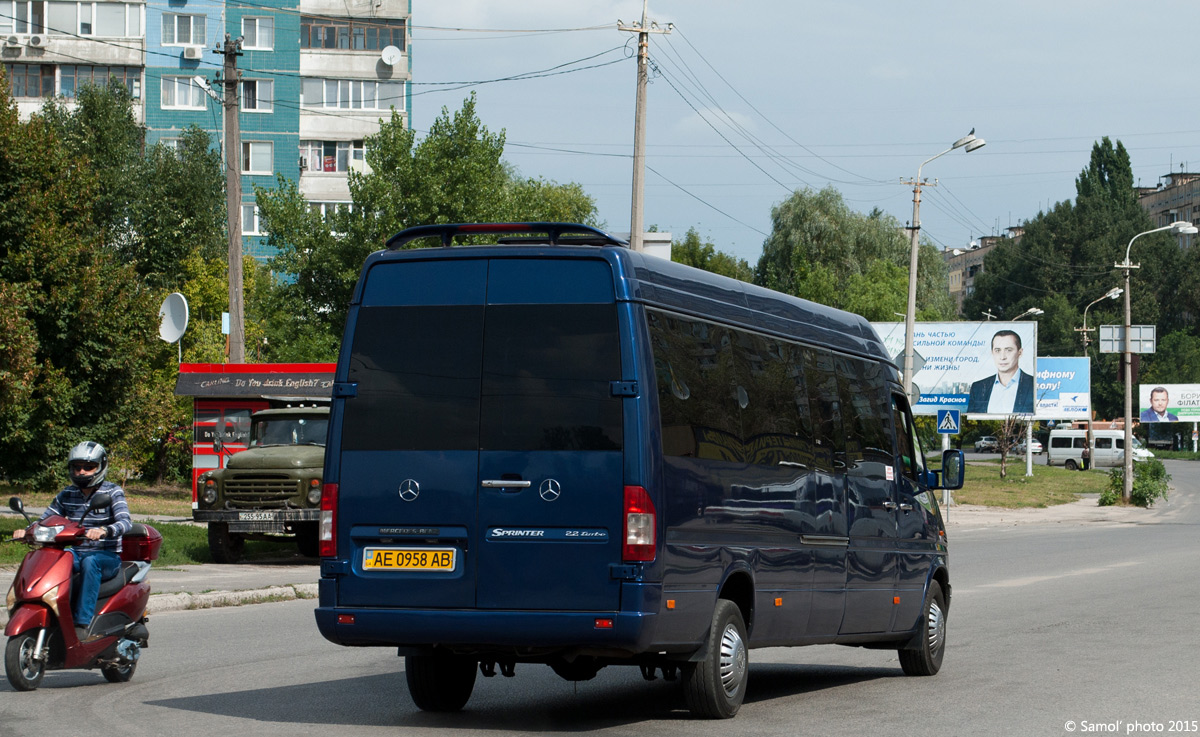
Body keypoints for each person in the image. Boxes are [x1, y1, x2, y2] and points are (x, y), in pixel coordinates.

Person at [11, 441, 132, 641]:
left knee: (90, 561)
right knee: (54, 560)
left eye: (88, 467)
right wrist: (27, 531)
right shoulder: (66, 494)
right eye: (77, 468)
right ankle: (52, 613)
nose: (81, 472)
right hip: (76, 553)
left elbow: (125, 522)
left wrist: (104, 530)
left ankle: (82, 624)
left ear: (101, 466)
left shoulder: (112, 492)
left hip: (106, 557)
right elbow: (47, 519)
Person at [966, 329, 1035, 414]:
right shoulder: (978, 388)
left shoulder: (1034, 385)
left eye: (1008, 350)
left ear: (1020, 352)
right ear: (992, 353)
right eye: (997, 350)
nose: (1002, 357)